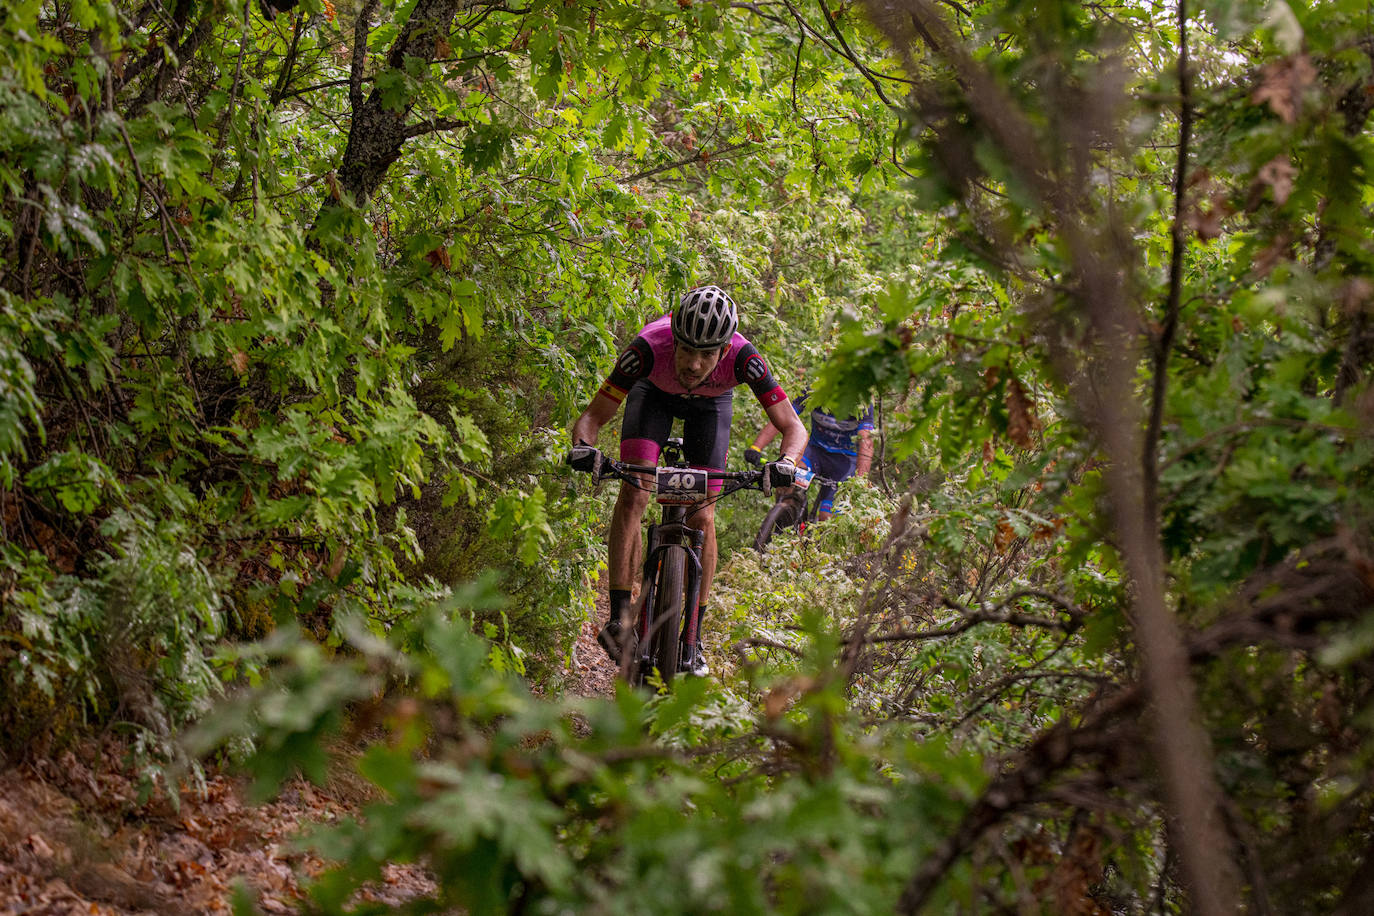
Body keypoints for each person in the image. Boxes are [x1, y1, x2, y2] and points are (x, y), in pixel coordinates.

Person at [569, 285, 807, 677]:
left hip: (711, 409)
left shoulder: (745, 358)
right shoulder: (647, 347)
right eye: (687, 350)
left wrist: (785, 461)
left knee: (703, 515)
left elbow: (793, 428)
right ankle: (618, 617)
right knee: (635, 491)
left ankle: (693, 639)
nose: (695, 364)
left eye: (707, 354)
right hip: (653, 398)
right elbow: (592, 418)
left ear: (725, 349)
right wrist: (583, 447)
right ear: (674, 338)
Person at [745, 385, 873, 520]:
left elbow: (866, 443)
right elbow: (783, 416)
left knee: (826, 516)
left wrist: (860, 481)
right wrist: (756, 447)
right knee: (787, 481)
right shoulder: (815, 389)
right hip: (815, 454)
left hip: (843, 464)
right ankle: (784, 527)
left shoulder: (861, 401)